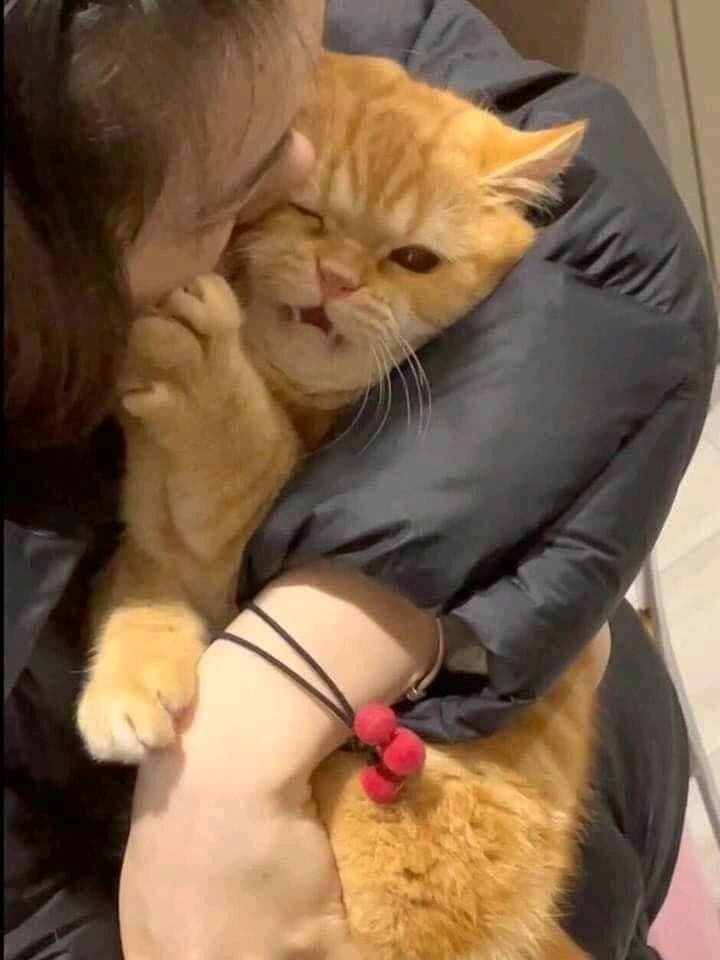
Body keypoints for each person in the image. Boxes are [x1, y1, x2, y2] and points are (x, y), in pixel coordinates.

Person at [4, 1, 716, 958]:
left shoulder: (283, 40)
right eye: (245, 182)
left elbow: (614, 247)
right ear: (70, 252)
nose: (300, 156)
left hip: (556, 765)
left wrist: (272, 692)